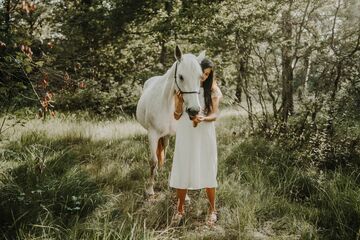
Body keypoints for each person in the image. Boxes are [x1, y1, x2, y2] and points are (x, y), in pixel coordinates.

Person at [169, 58, 223, 226]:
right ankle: (180, 210)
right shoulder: (184, 87)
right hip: (186, 131)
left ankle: (212, 209)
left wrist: (204, 118)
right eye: (202, 74)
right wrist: (178, 104)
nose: (204, 77)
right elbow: (177, 116)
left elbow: (215, 115)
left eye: (207, 75)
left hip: (205, 131)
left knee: (208, 166)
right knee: (183, 165)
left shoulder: (212, 90)